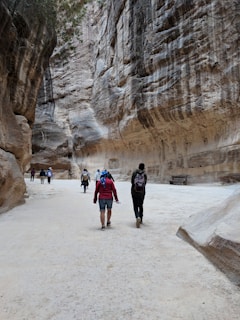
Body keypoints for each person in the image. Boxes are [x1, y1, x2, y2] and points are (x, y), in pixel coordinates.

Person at [131, 163, 147, 228]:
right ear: (143, 168)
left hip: (134, 191)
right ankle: (141, 218)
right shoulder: (144, 174)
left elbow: (132, 182)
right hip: (142, 192)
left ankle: (137, 217)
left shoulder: (134, 173)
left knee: (135, 205)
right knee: (140, 205)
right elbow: (145, 183)